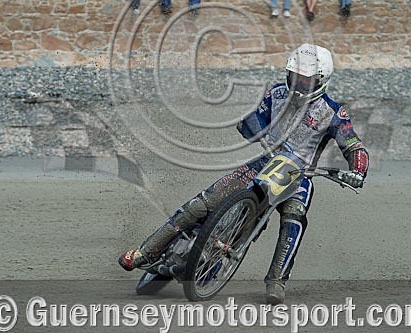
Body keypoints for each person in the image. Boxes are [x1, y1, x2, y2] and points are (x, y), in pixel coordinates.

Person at [118, 44, 369, 304]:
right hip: (264, 161)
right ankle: (146, 251)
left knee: (294, 217)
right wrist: (260, 133)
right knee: (202, 203)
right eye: (295, 77)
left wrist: (358, 171)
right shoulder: (277, 93)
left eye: (305, 80)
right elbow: (252, 119)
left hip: (300, 175)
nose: (298, 84)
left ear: (321, 80)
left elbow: (354, 146)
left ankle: (277, 281)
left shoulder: (333, 112)